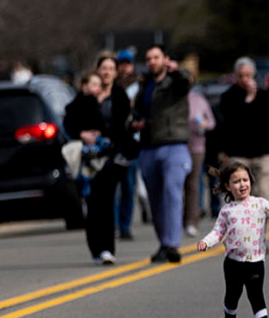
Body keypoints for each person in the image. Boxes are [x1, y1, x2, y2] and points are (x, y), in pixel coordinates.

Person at [198, 158, 269, 318]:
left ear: (251, 181)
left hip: (255, 261)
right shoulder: (227, 210)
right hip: (233, 262)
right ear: (228, 187)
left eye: (245, 180)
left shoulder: (261, 204)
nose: (242, 184)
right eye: (236, 182)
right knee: (233, 294)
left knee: (256, 293)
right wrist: (206, 242)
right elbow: (217, 232)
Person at [64, 60, 131, 265]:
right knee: (92, 205)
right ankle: (96, 249)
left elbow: (121, 126)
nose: (105, 74)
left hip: (108, 157)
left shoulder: (117, 97)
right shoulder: (78, 103)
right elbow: (68, 125)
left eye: (111, 69)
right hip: (87, 161)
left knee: (107, 203)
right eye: (102, 70)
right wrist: (83, 134)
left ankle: (108, 249)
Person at [132, 45, 192, 264]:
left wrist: (176, 71)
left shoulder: (175, 82)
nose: (152, 62)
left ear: (165, 59)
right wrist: (133, 122)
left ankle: (173, 244)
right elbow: (136, 111)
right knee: (155, 200)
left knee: (172, 192)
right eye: (148, 58)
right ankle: (164, 243)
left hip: (173, 145)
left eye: (156, 57)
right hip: (149, 146)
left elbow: (187, 81)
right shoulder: (145, 85)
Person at [216, 57, 269, 201]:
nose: (245, 79)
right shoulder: (228, 97)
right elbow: (231, 123)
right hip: (239, 153)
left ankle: (261, 223)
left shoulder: (265, 97)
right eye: (241, 76)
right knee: (241, 196)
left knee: (264, 194)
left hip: (263, 152)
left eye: (248, 75)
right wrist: (248, 99)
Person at [184, 69, 216, 237]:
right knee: (176, 184)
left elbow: (211, 123)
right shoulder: (176, 101)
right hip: (179, 146)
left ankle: (191, 220)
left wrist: (203, 123)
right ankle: (179, 219)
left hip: (197, 147)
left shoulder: (199, 100)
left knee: (192, 184)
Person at [114, 48, 141, 240]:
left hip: (133, 141)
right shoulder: (112, 87)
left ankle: (125, 225)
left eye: (128, 63)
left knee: (129, 187)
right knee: (114, 188)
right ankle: (114, 225)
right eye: (121, 63)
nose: (125, 67)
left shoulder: (139, 85)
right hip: (115, 142)